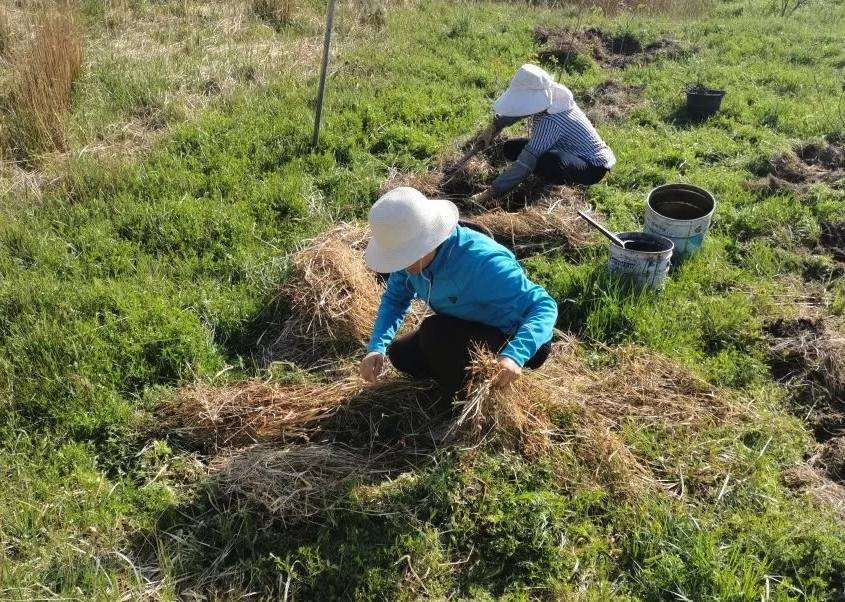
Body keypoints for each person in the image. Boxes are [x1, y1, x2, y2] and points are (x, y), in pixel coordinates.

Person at [360, 186, 558, 402]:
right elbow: (396, 299)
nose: (398, 265)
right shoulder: (410, 264)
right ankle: (463, 375)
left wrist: (514, 356)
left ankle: (461, 403)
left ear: (424, 243)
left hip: (515, 337)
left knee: (434, 332)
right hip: (467, 323)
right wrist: (376, 347)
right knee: (401, 354)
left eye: (402, 256)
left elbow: (543, 305)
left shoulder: (481, 263)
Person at [471, 64, 616, 205]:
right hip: (565, 149)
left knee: (551, 161)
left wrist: (493, 190)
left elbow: (525, 162)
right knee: (511, 148)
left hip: (591, 166)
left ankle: (551, 184)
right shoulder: (550, 97)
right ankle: (544, 173)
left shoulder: (552, 120)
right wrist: (494, 126)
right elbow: (521, 109)